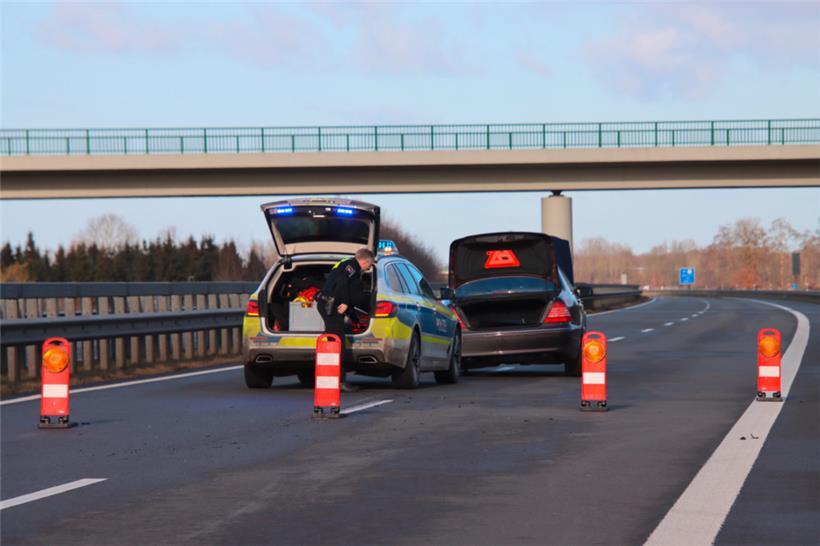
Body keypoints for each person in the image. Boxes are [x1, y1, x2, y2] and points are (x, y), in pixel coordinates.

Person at [317, 248, 375, 392]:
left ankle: (332, 379)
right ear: (365, 261)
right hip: (331, 305)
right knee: (337, 342)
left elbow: (344, 284)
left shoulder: (346, 263)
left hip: (328, 304)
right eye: (370, 264)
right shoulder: (352, 266)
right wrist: (346, 302)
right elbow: (342, 282)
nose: (370, 267)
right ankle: (339, 381)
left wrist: (352, 314)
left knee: (334, 340)